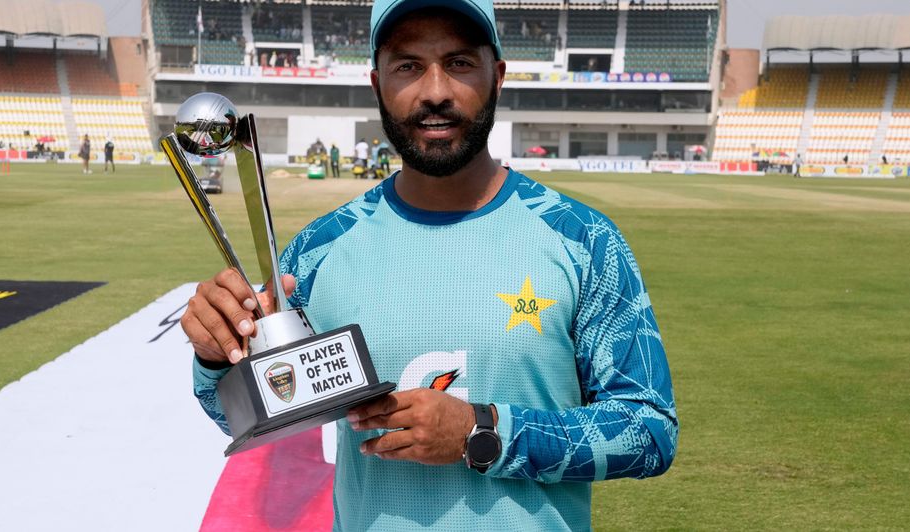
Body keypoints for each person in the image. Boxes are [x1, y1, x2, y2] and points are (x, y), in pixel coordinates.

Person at [181, 0, 678, 529]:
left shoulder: (583, 240)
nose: (435, 91)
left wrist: (482, 432)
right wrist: (218, 355)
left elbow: (648, 431)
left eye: (460, 63)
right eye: (408, 66)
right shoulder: (316, 254)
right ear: (378, 84)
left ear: (498, 77)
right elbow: (240, 415)